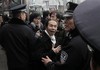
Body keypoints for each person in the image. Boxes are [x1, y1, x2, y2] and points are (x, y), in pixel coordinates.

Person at [0, 4, 37, 70]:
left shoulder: (4, 28)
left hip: (10, 64)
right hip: (25, 65)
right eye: (24, 14)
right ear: (21, 15)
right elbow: (33, 50)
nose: (25, 15)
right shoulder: (28, 30)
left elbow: (2, 43)